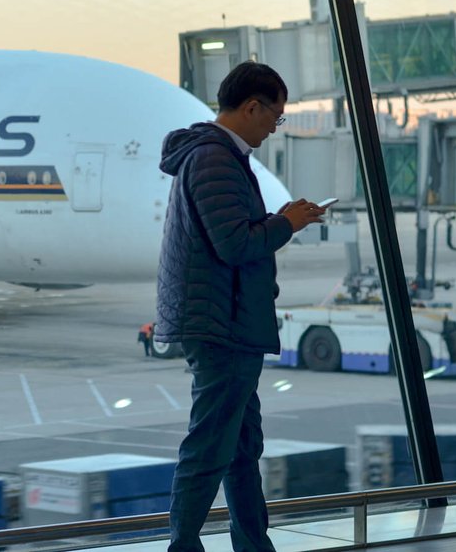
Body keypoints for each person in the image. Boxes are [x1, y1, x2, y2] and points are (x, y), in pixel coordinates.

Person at [155, 61, 326, 552]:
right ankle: (183, 546)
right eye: (276, 115)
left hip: (226, 321)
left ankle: (252, 544)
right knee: (211, 445)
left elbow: (229, 232)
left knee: (242, 446)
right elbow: (234, 244)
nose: (275, 127)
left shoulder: (218, 156)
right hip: (222, 325)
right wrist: (287, 224)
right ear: (252, 107)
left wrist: (280, 219)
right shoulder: (215, 159)